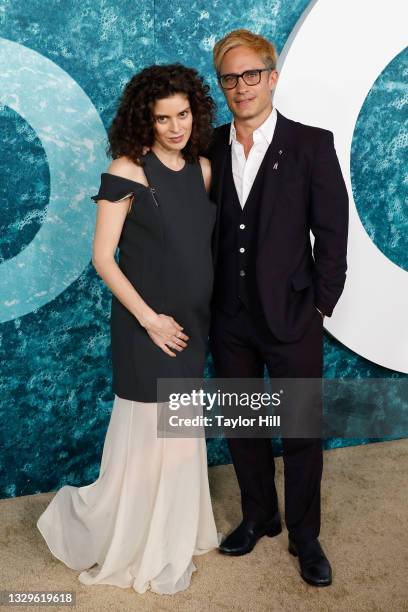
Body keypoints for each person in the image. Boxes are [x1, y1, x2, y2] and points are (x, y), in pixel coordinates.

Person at [37, 64, 221, 595]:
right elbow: (103, 258)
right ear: (146, 120)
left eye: (183, 114)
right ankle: (140, 538)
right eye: (163, 118)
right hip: (148, 325)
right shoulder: (127, 169)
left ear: (195, 113)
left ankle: (178, 528)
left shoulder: (204, 169)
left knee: (182, 434)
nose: (175, 127)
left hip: (192, 324)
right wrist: (150, 320)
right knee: (150, 434)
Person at [207, 29, 348, 587]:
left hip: (293, 315)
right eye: (229, 78)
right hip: (229, 316)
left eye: (250, 75)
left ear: (271, 76)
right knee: (243, 426)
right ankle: (258, 515)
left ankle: (305, 536)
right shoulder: (209, 145)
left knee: (300, 430)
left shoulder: (312, 144)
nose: (241, 87)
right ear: (222, 85)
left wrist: (321, 304)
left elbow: (331, 231)